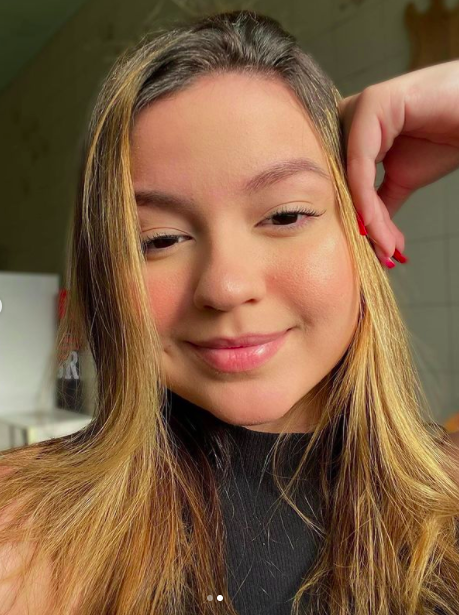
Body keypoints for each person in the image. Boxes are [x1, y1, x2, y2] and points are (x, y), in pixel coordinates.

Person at [0, 9, 458, 615]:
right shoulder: (25, 527)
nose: (225, 286)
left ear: (360, 226)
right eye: (159, 240)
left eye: (286, 215)